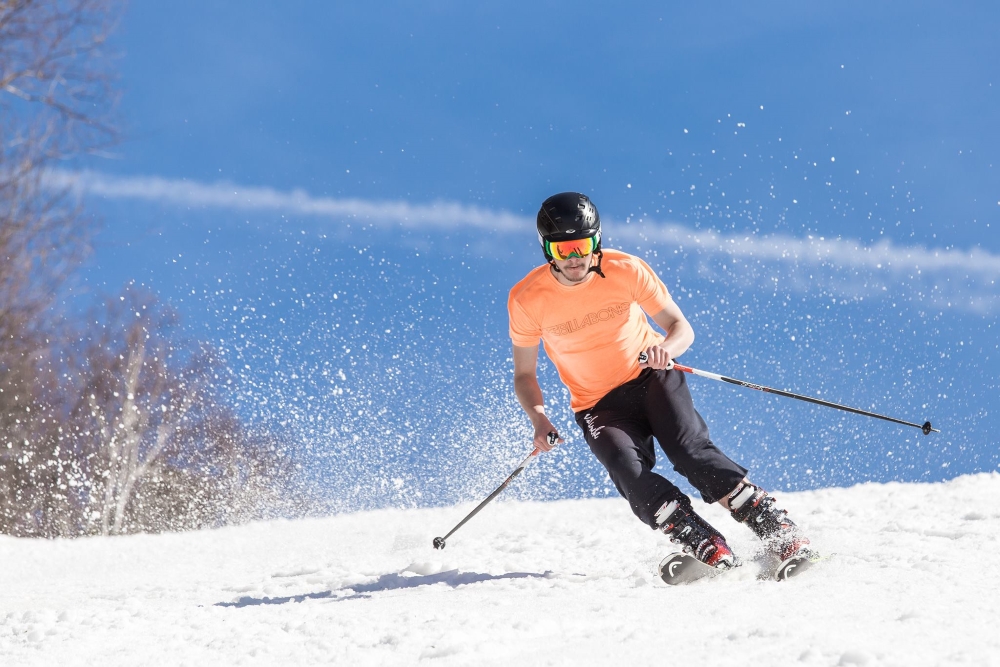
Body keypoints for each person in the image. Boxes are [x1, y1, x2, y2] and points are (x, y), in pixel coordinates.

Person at [507, 192, 811, 569]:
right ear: (546, 249)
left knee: (690, 454)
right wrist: (539, 418)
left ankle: (779, 532)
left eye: (582, 246)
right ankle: (707, 546)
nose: (574, 258)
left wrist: (667, 348)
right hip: (597, 404)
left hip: (652, 376)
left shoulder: (626, 270)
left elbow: (681, 328)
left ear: (596, 241)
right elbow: (524, 374)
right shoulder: (526, 299)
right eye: (562, 248)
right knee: (627, 471)